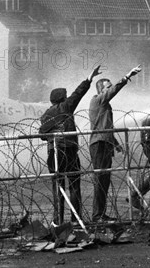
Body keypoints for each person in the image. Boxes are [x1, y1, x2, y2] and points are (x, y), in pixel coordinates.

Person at [39, 65, 102, 226]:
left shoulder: (45, 115)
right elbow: (78, 94)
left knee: (58, 188)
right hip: (69, 151)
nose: (68, 98)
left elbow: (42, 135)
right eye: (65, 96)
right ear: (61, 99)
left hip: (54, 153)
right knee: (74, 186)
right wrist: (89, 79)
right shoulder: (66, 107)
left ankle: (58, 220)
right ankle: (76, 219)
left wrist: (52, 136)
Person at [89, 65, 141, 222]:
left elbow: (106, 127)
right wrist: (126, 77)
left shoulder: (103, 104)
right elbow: (113, 91)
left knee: (104, 180)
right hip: (99, 144)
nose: (111, 89)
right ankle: (97, 215)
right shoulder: (98, 101)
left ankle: (100, 214)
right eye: (108, 87)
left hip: (104, 143)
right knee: (100, 180)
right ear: (101, 90)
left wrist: (116, 144)